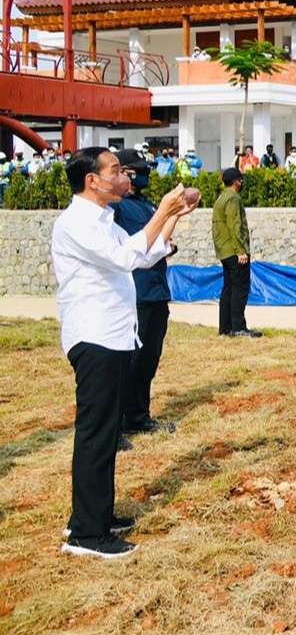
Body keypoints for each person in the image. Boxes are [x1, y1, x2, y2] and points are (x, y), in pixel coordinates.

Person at [53, 148, 194, 559]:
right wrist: (161, 210)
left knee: (106, 432)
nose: (124, 177)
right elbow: (124, 256)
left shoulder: (104, 220)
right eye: (115, 171)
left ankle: (97, 515)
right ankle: (86, 534)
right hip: (94, 337)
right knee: (96, 434)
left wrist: (173, 216)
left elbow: (144, 255)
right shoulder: (75, 222)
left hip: (114, 335)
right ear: (92, 180)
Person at [106, 150, 178, 437]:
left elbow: (158, 241)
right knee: (128, 363)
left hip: (156, 289)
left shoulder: (146, 206)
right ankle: (114, 425)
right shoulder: (118, 209)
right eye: (137, 170)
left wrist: (176, 213)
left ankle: (138, 415)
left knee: (148, 359)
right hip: (135, 293)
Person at [212, 167, 257, 338]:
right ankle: (238, 327)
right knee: (240, 288)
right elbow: (235, 225)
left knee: (228, 289)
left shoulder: (221, 198)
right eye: (241, 179)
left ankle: (225, 328)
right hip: (234, 250)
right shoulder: (233, 199)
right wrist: (241, 251)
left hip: (224, 250)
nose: (242, 182)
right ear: (236, 181)